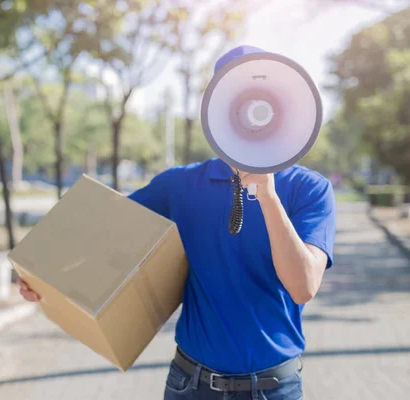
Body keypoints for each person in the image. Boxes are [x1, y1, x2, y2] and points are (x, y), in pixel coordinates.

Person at [19, 46, 337, 400]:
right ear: (216, 112)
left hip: (273, 389)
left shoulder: (311, 189)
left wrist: (268, 196)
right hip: (191, 385)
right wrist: (40, 274)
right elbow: (100, 230)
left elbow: (303, 286)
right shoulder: (179, 185)